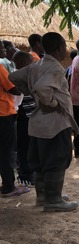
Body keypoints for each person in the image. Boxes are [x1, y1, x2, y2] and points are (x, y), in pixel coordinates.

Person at [9, 32, 79, 211]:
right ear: (59, 49)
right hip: (55, 122)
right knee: (57, 159)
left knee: (41, 161)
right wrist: (52, 102)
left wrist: (30, 92)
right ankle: (54, 200)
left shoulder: (36, 64)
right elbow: (42, 87)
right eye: (64, 47)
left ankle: (43, 196)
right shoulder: (54, 67)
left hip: (38, 122)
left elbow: (14, 77)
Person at [0, 41, 28, 197]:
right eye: (2, 48)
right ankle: (8, 187)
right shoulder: (0, 68)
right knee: (7, 151)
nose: (5, 50)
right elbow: (15, 90)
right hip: (4, 113)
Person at [11, 51, 35, 186]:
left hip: (29, 116)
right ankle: (25, 175)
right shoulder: (16, 78)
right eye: (31, 63)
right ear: (25, 64)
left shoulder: (23, 76)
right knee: (24, 147)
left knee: (28, 146)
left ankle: (28, 173)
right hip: (23, 116)